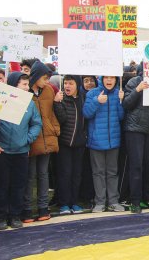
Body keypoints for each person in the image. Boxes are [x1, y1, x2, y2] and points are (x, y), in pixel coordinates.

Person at [0, 73, 42, 230]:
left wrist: (28, 139)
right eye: (23, 84)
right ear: (14, 85)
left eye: (27, 84)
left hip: (21, 152)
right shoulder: (0, 100)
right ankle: (1, 217)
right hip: (2, 151)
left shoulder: (29, 104)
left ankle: (15, 215)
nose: (27, 87)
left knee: (18, 185)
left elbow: (36, 123)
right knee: (1, 185)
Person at [23, 61, 60, 223]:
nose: (47, 81)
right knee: (30, 176)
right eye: (44, 78)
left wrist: (55, 129)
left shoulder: (49, 90)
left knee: (44, 175)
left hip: (48, 138)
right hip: (31, 139)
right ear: (36, 76)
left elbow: (52, 113)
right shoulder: (24, 92)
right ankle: (27, 209)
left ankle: (43, 208)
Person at [123, 62, 149, 214]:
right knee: (136, 166)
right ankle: (135, 201)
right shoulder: (134, 82)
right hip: (135, 130)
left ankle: (148, 197)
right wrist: (138, 90)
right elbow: (126, 104)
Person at [83, 76, 125, 213]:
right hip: (96, 141)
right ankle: (100, 202)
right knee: (98, 173)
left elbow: (120, 117)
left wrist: (121, 101)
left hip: (113, 141)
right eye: (106, 77)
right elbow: (86, 113)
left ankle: (113, 201)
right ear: (102, 78)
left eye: (112, 78)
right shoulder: (92, 93)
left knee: (112, 172)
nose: (109, 80)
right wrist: (97, 101)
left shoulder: (118, 93)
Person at [53, 75, 87, 215]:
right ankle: (64, 203)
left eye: (70, 83)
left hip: (80, 143)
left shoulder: (83, 98)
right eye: (65, 83)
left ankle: (74, 202)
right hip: (65, 143)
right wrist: (57, 103)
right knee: (65, 174)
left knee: (76, 174)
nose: (67, 86)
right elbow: (62, 119)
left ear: (77, 85)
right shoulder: (61, 99)